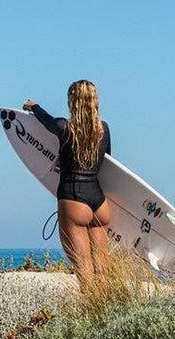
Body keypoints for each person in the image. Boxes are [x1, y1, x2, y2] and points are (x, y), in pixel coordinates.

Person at [23, 80, 112, 290]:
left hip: (74, 201)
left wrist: (33, 106)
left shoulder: (64, 127)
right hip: (100, 204)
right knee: (103, 270)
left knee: (85, 273)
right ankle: (109, 309)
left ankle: (93, 316)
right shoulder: (104, 129)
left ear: (73, 101)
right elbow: (108, 165)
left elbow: (46, 120)